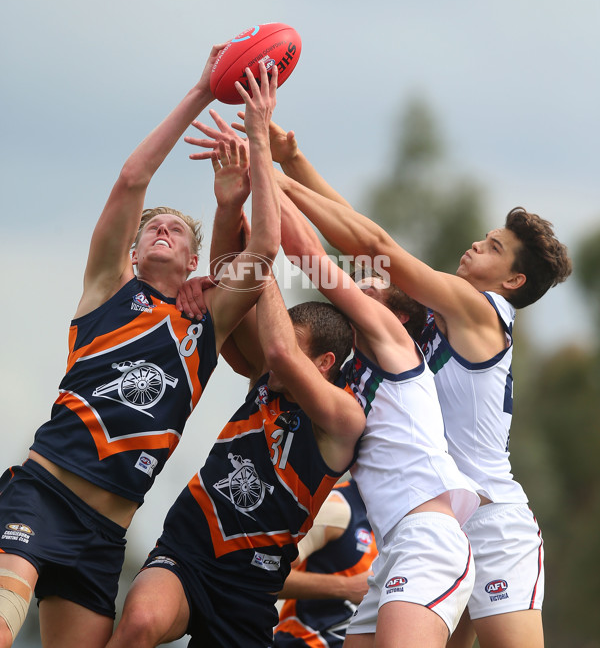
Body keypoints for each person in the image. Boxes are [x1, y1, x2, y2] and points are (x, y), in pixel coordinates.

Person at [0, 55, 281, 648]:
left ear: (192, 263)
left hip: (105, 532)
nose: (161, 230)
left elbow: (264, 249)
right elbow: (132, 179)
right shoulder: (105, 290)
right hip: (42, 493)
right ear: (132, 253)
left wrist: (256, 137)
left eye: (177, 231)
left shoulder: (206, 323)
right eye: (151, 228)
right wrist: (204, 90)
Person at [271, 132, 572, 648]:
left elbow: (377, 248)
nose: (478, 244)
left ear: (513, 282)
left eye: (494, 247)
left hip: (492, 520)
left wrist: (274, 179)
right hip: (434, 521)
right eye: (485, 236)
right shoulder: (441, 312)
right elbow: (367, 240)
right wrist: (293, 161)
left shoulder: (481, 310)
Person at [102, 124, 367, 648]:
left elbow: (277, 347)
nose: (277, 343)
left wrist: (261, 244)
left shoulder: (341, 420)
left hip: (251, 584)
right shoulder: (263, 381)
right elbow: (235, 283)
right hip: (190, 546)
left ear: (324, 363)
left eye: (294, 342)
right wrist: (229, 209)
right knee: (137, 623)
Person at [274, 192, 480, 648]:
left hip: (427, 541)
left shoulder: (396, 349)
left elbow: (311, 256)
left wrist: (266, 172)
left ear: (397, 317)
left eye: (370, 288)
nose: (356, 287)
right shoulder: (350, 375)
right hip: (393, 549)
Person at [274, 476, 377, 648]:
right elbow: (262, 574)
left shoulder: (402, 520)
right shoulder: (336, 506)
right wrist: (347, 587)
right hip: (305, 642)